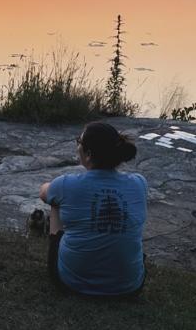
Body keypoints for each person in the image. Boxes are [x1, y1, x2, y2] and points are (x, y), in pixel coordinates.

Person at [38, 122, 147, 297]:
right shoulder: (139, 183)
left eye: (78, 141)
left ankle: (57, 247)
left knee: (55, 202)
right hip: (130, 287)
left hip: (72, 283)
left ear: (88, 154)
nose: (77, 146)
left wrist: (56, 187)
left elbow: (43, 192)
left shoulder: (66, 184)